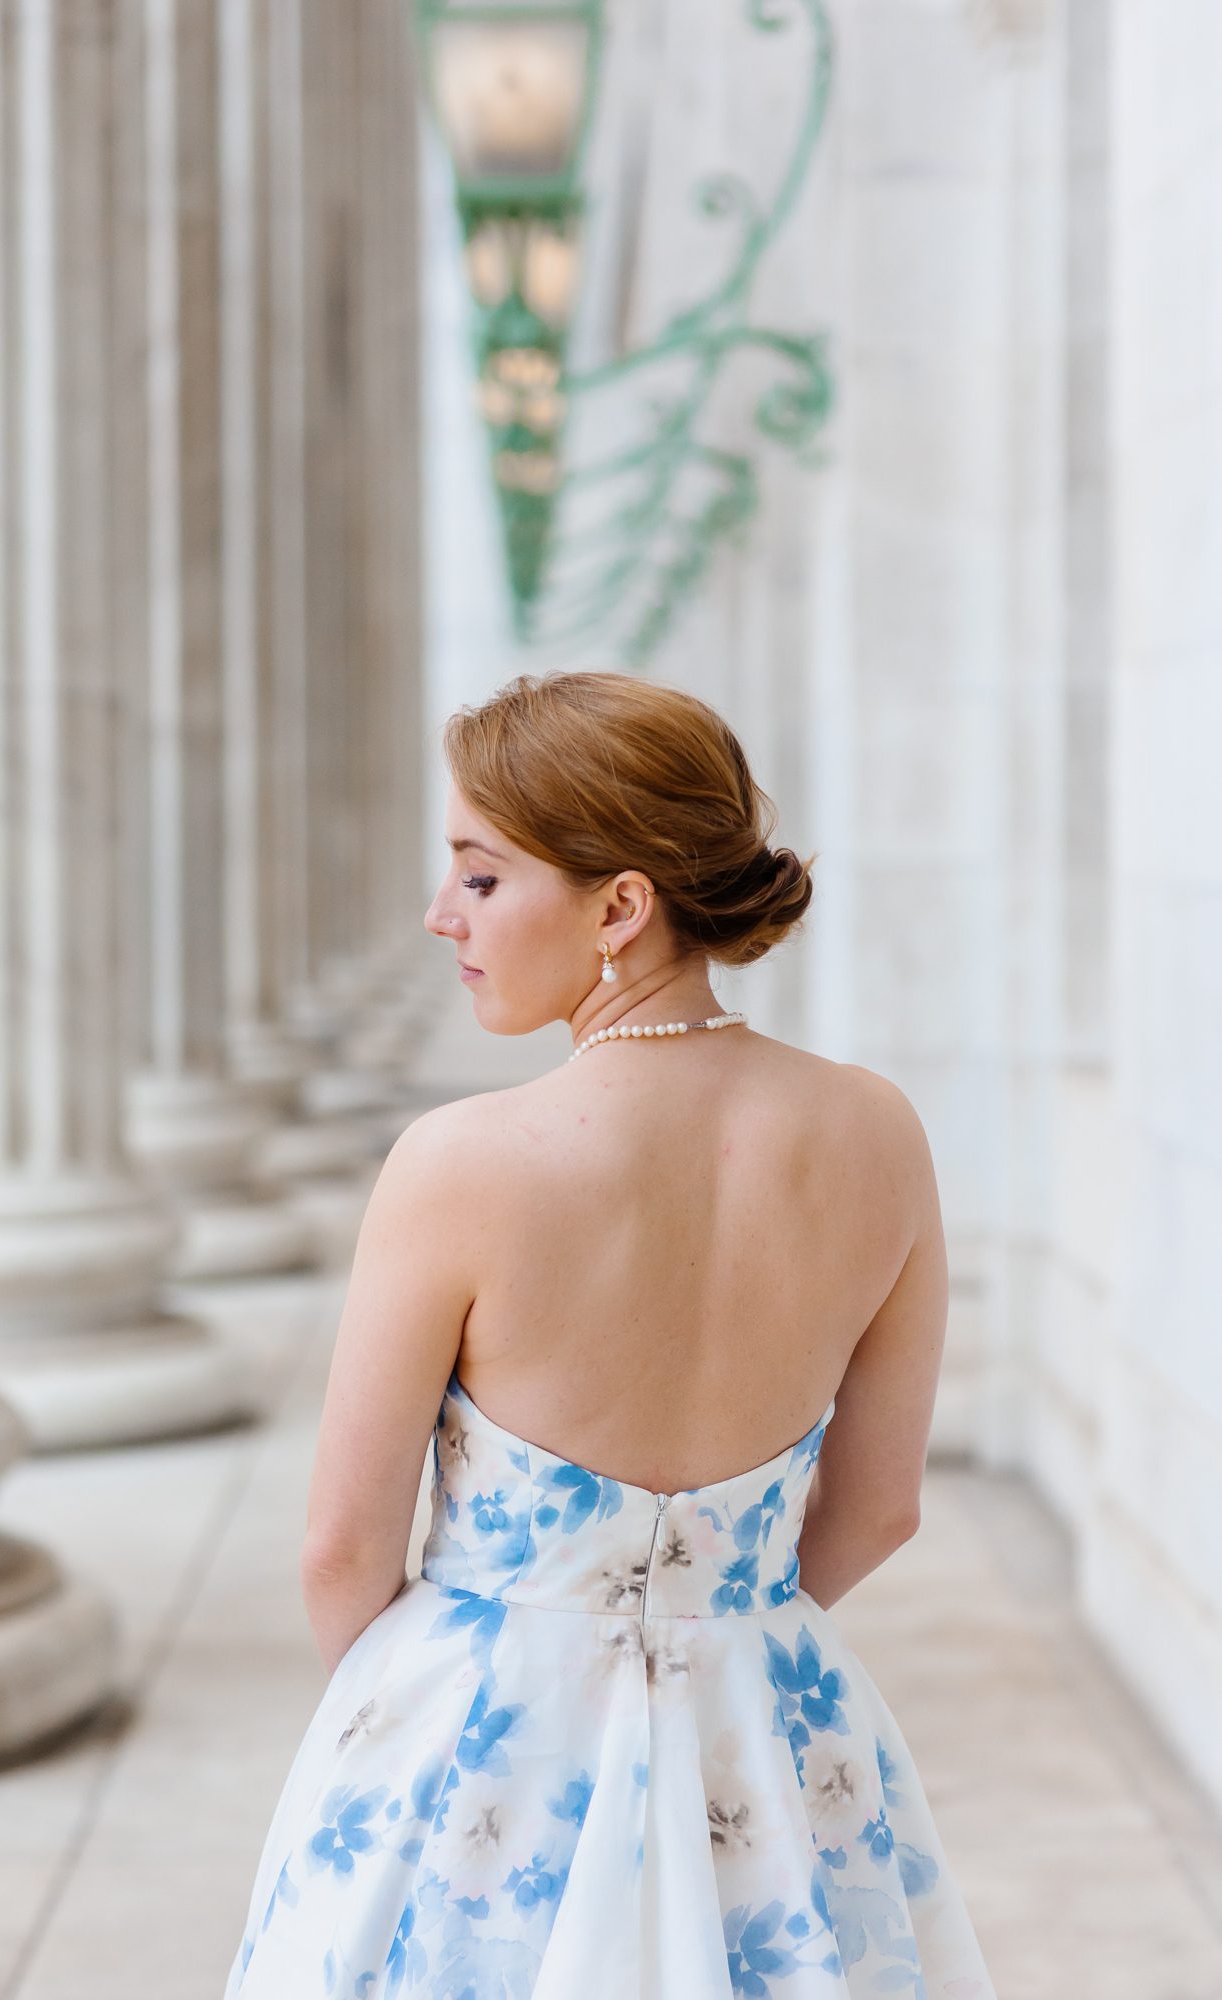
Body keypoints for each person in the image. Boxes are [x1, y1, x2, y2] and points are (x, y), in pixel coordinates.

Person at [223, 670, 996, 1998]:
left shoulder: (462, 1163)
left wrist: (405, 1723)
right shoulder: (878, 1133)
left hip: (482, 1747)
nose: (442, 914)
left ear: (620, 907)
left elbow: (343, 1548)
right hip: (768, 1734)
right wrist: (716, 1629)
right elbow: (880, 1509)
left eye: (479, 876)